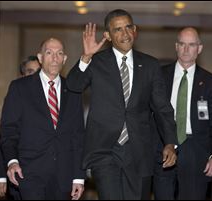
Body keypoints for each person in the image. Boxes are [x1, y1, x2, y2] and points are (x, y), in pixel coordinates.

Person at [66, 9, 177, 200]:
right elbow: (73, 85)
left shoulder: (150, 65)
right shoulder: (96, 61)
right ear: (108, 36)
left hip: (139, 150)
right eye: (118, 30)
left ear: (135, 30)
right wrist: (85, 57)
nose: (125, 34)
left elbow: (162, 107)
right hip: (105, 150)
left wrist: (170, 142)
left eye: (128, 28)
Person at [0, 38, 85, 200]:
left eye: (59, 53)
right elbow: (9, 130)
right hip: (29, 174)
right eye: (49, 53)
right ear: (40, 57)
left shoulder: (73, 90)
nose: (54, 58)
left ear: (64, 59)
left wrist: (78, 177)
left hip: (63, 177)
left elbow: (78, 135)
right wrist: (12, 161)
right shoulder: (20, 88)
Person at [153, 27, 212, 200]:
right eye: (182, 44)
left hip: (196, 153)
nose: (186, 49)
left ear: (199, 48)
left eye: (191, 45)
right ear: (176, 46)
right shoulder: (159, 75)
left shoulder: (210, 81)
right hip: (163, 148)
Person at [0, 55, 41, 199]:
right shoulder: (16, 94)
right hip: (18, 173)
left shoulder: (53, 97)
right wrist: (0, 176)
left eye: (38, 71)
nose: (35, 76)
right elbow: (6, 136)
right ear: (22, 75)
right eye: (30, 71)